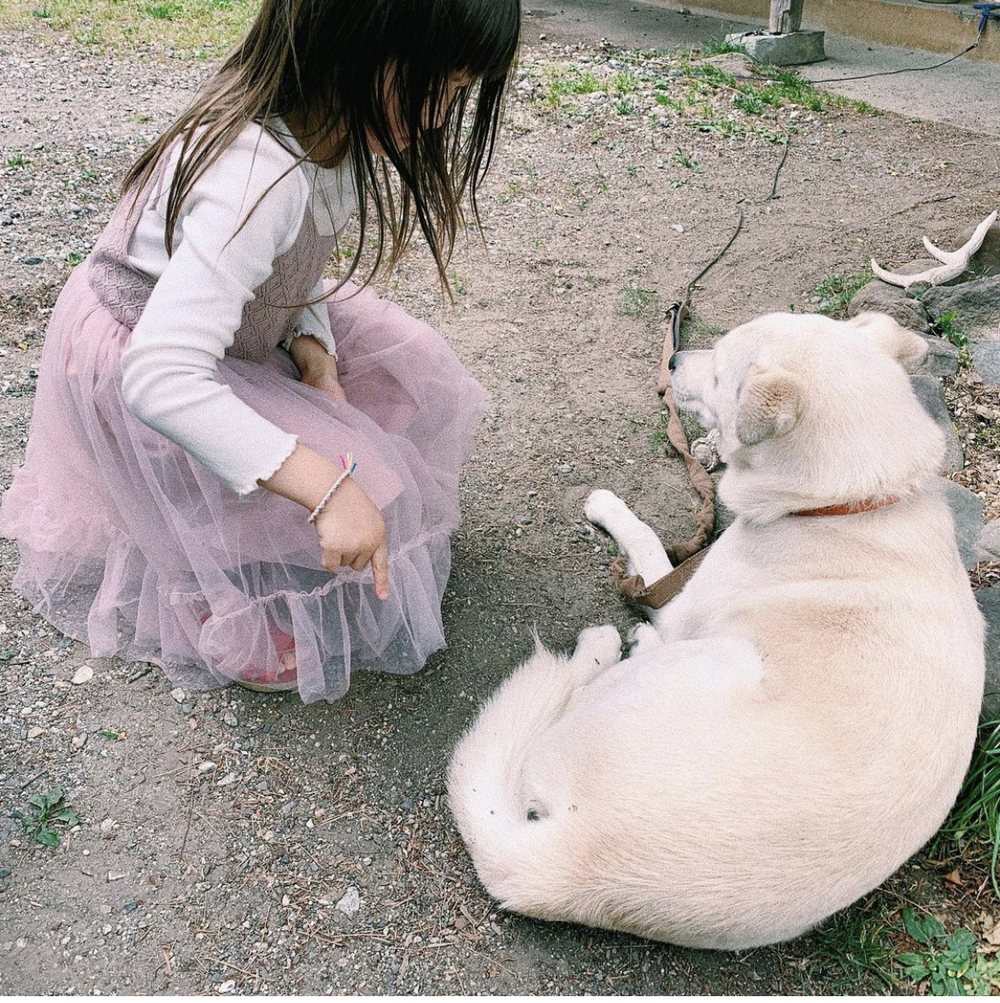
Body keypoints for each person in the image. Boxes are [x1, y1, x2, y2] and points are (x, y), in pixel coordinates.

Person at [0, 0, 521, 704]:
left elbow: (293, 267)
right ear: (351, 41)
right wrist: (325, 487)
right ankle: (208, 598)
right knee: (338, 479)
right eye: (438, 84)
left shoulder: (331, 132)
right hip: (145, 355)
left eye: (458, 93)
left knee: (406, 372)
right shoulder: (251, 175)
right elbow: (157, 377)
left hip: (240, 323)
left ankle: (267, 507)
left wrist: (314, 348)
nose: (437, 116)